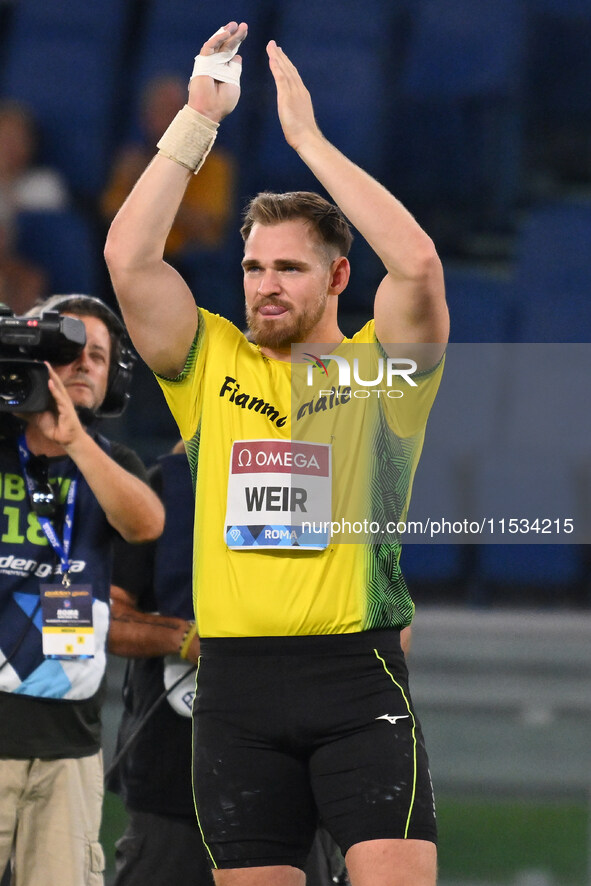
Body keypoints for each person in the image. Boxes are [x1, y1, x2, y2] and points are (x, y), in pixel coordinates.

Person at [104, 20, 449, 886]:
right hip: (234, 688)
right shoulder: (208, 361)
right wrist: (195, 125)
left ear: (336, 278)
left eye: (289, 268)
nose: (264, 284)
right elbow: (128, 255)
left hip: (355, 674)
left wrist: (309, 143)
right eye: (254, 268)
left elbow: (414, 266)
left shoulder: (384, 372)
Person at [0, 293, 165, 886]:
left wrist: (73, 441)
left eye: (99, 356)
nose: (86, 364)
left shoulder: (109, 460)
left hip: (70, 746)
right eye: (70, 352)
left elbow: (145, 522)